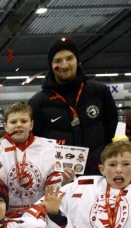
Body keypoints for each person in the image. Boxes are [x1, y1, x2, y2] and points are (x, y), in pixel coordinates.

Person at [28, 37, 118, 176]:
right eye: (58, 61)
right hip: (59, 177)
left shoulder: (99, 92)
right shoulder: (38, 101)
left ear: (77, 60)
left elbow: (112, 131)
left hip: (98, 174)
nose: (64, 65)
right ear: (51, 66)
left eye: (69, 58)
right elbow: (35, 143)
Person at [0, 102, 67, 217]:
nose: (18, 125)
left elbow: (54, 185)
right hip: (4, 216)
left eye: (23, 121)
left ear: (31, 125)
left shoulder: (49, 147)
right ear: (5, 126)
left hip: (39, 215)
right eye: (13, 122)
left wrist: (64, 180)